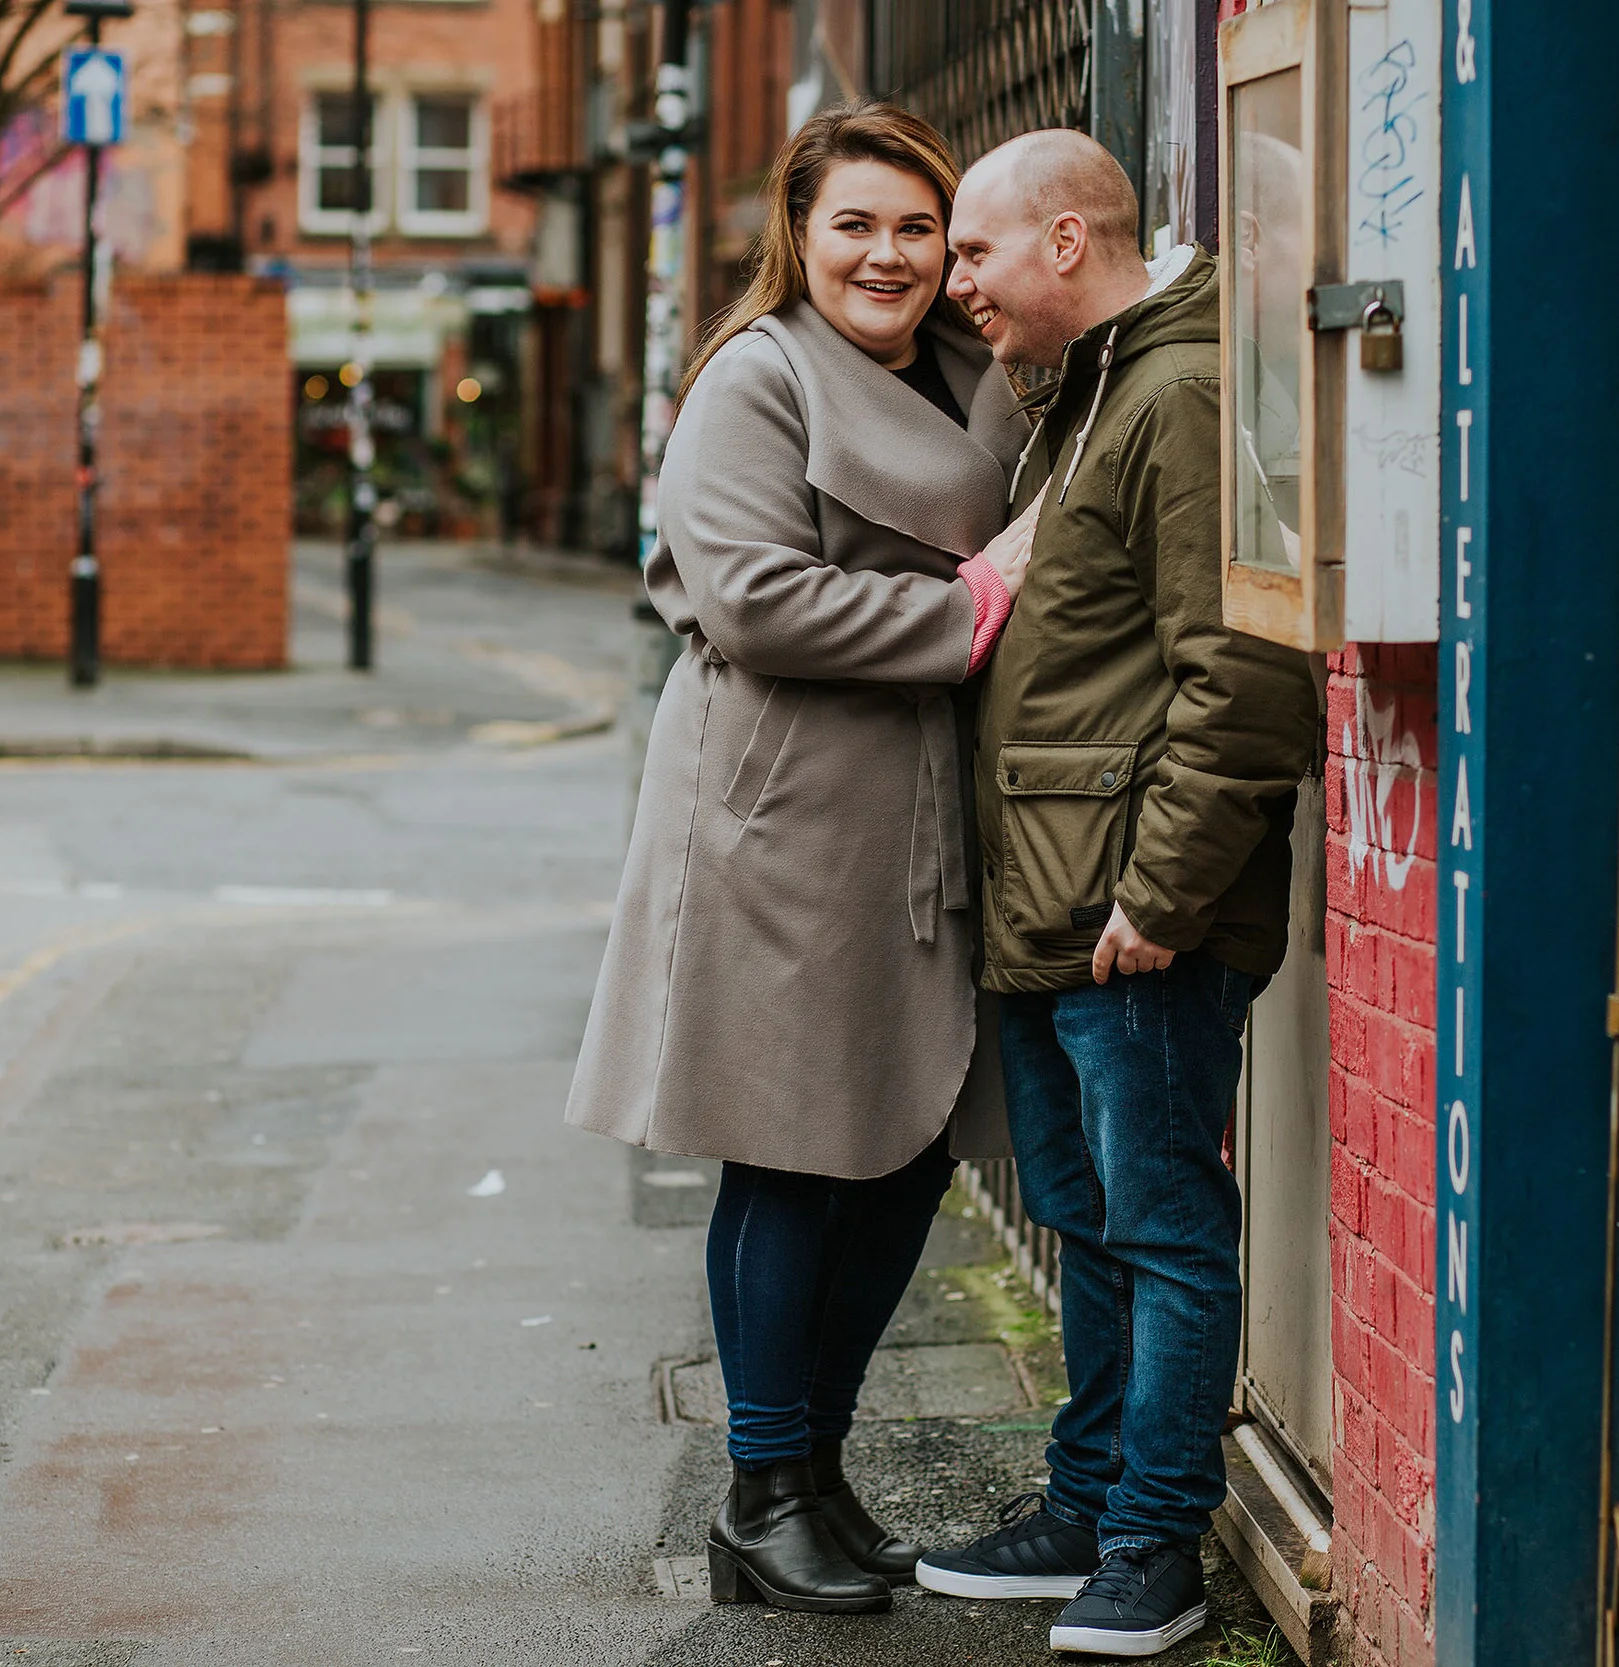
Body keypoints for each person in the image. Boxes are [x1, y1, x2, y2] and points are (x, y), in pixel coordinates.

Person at [564, 103, 1041, 1617]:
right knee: (787, 1144)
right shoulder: (755, 378)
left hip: (925, 805)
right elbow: (755, 600)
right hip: (778, 811)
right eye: (856, 225)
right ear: (800, 234)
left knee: (909, 1141)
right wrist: (972, 608)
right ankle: (760, 1493)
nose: (887, 255)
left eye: (917, 227)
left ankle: (816, 1470)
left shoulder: (979, 373)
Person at [913, 130, 1320, 1657]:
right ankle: (1088, 1505)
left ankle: (1156, 1544)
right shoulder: (1087, 395)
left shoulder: (1178, 395)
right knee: (1091, 1224)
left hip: (1130, 922)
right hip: (1057, 906)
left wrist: (1161, 894)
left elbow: (1247, 673)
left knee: (1161, 1231)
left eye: (976, 252)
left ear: (1069, 241)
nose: (958, 285)